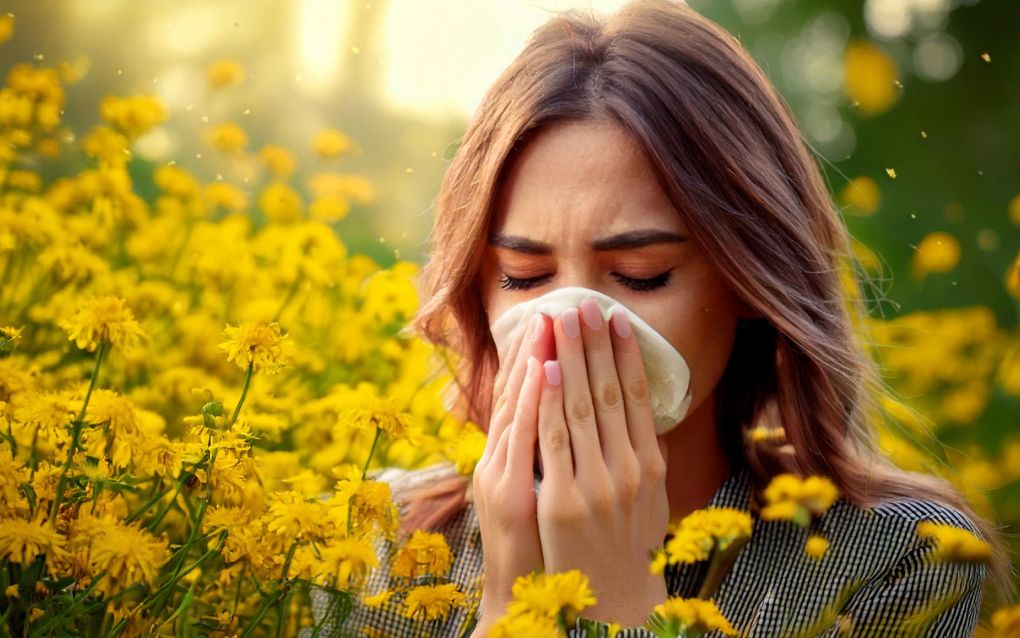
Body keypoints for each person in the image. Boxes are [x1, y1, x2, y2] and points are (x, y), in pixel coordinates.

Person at [313, 1, 1011, 636]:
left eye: (641, 276)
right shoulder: (384, 542)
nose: (573, 325)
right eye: (523, 277)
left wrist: (619, 603)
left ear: (746, 278)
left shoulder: (897, 562)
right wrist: (507, 613)